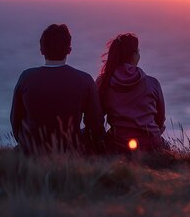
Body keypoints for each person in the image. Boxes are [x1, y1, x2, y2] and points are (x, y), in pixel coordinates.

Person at [10, 24, 105, 155]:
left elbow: (15, 120)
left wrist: (27, 144)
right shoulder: (85, 80)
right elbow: (96, 125)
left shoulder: (26, 78)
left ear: (42, 49)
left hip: (32, 151)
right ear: (69, 50)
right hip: (71, 152)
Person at [97, 33, 167, 153]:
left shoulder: (104, 81)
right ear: (134, 55)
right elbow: (160, 120)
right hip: (151, 144)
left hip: (117, 144)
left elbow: (96, 116)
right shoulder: (152, 83)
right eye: (138, 52)